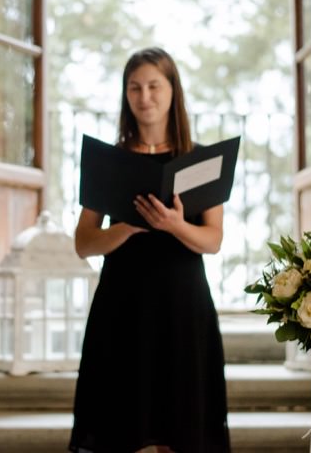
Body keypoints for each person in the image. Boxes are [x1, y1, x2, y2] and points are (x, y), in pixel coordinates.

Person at [68, 47, 231, 453]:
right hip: (122, 306)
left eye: (154, 86)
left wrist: (174, 225)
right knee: (124, 425)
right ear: (125, 94)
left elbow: (213, 240)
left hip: (183, 304)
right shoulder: (110, 160)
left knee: (182, 423)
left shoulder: (200, 160)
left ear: (173, 91)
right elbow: (83, 242)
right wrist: (126, 227)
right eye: (135, 88)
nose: (145, 97)